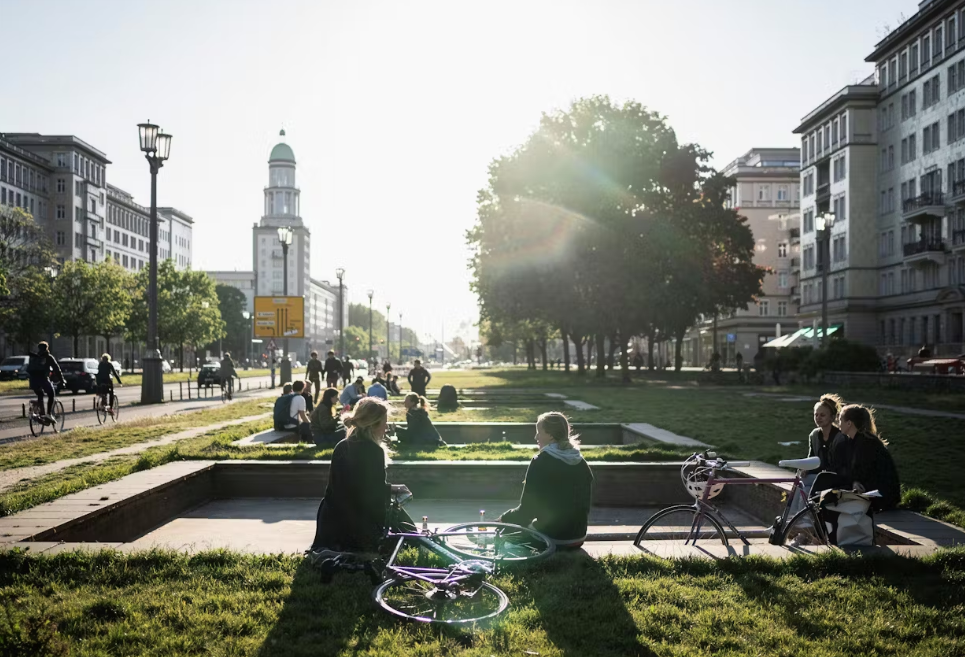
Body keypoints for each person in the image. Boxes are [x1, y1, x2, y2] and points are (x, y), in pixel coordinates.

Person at [310, 397, 413, 555]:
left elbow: (352, 488)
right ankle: (417, 539)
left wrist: (390, 489)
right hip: (355, 525)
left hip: (330, 523)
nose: (386, 427)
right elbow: (374, 498)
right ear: (373, 424)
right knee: (406, 529)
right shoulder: (373, 451)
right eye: (384, 422)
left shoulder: (342, 446)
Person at [498, 412, 593, 549]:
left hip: (553, 538)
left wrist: (503, 519)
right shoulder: (580, 462)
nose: (535, 436)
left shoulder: (541, 462)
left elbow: (527, 511)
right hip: (578, 536)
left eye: (538, 432)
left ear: (550, 435)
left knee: (503, 536)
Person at [833, 404, 901, 512]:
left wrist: (854, 482)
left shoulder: (867, 443)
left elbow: (864, 473)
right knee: (827, 480)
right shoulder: (853, 441)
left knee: (832, 488)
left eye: (840, 419)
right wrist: (853, 481)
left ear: (849, 423)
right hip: (869, 489)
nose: (838, 423)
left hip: (881, 496)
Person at [26, 341, 63, 420]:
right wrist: (62, 380)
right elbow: (57, 369)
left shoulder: (34, 357)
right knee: (51, 394)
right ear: (47, 348)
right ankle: (49, 414)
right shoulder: (48, 357)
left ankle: (41, 412)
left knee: (40, 394)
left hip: (32, 381)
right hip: (43, 380)